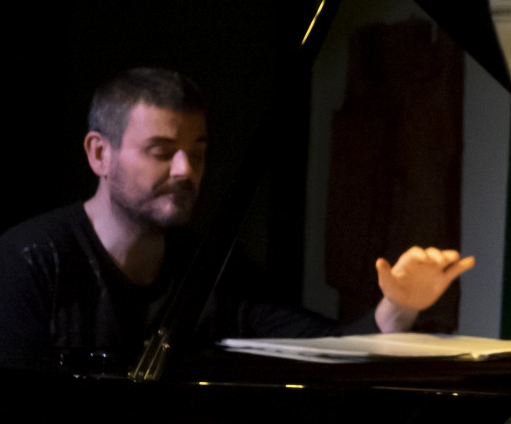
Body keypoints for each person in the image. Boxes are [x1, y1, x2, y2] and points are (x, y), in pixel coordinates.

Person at [0, 67, 474, 368]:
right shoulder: (31, 260)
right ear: (99, 153)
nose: (186, 171)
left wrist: (399, 307)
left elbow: (324, 345)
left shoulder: (211, 268)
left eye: (197, 153)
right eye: (162, 151)